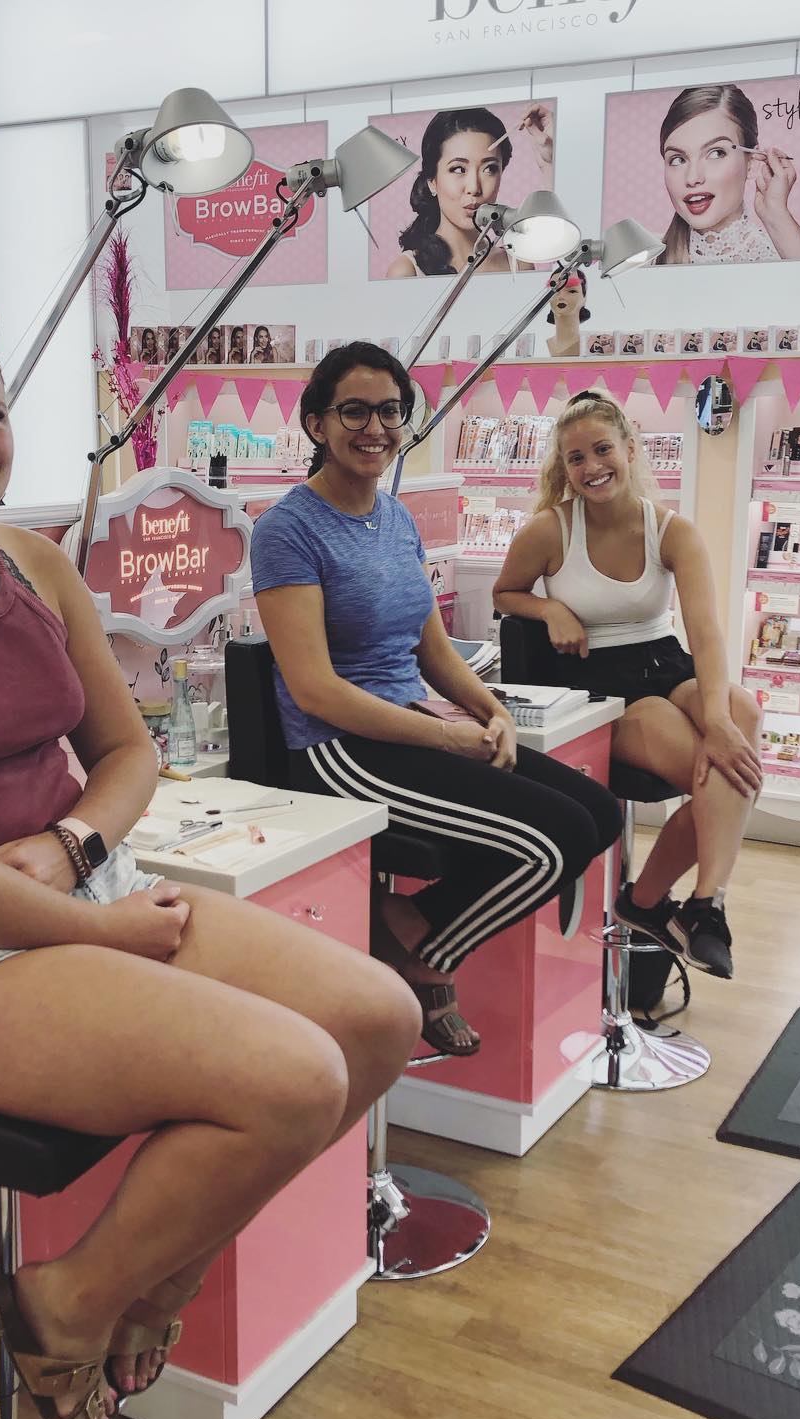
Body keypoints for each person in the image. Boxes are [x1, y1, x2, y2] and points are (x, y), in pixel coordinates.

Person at [0, 311, 421, 1419]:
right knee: (293, 1080)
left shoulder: (32, 562)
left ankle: (150, 1287)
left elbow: (130, 754)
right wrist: (98, 929)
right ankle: (67, 1302)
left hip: (80, 888)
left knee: (379, 1019)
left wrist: (73, 849)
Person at [251, 344, 619, 1057]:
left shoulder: (395, 518)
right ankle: (427, 966)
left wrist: (492, 712)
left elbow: (435, 650)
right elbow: (314, 688)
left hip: (410, 726)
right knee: (552, 844)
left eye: (390, 411)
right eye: (354, 411)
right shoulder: (286, 530)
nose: (375, 428)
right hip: (339, 749)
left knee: (596, 814)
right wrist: (449, 738)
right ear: (316, 424)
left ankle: (407, 928)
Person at [492, 390, 762, 980]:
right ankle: (671, 908)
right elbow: (505, 593)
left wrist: (718, 718)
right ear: (564, 467)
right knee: (723, 772)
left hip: (663, 661)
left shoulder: (671, 530)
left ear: (630, 449)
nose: (592, 467)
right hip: (596, 678)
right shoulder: (549, 530)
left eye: (602, 450)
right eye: (576, 458)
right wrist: (549, 609)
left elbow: (706, 632)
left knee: (742, 712)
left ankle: (700, 902)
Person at [654, 84, 800, 265]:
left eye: (716, 153)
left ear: (751, 163)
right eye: (678, 159)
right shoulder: (644, 258)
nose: (692, 178)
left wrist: (776, 214)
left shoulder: (779, 256)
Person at [387, 107, 519, 278]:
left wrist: (546, 161)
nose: (474, 188)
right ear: (432, 181)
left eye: (489, 169)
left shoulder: (517, 263)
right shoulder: (407, 271)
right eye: (458, 169)